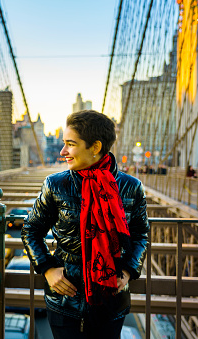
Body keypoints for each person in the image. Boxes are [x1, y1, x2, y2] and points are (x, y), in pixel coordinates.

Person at [21, 110, 149, 339]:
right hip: (64, 300)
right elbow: (31, 229)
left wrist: (129, 271)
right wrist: (47, 269)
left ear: (96, 147)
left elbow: (141, 235)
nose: (63, 152)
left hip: (112, 298)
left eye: (70, 144)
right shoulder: (55, 185)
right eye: (63, 144)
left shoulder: (132, 187)